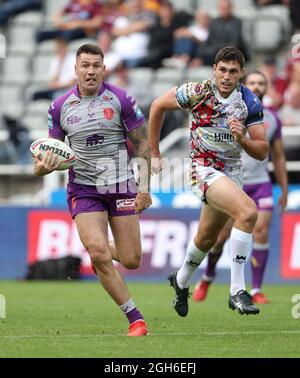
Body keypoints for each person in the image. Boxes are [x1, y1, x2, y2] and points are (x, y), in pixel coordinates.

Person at [33, 44, 152, 336]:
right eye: (85, 65)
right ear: (75, 69)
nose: (90, 71)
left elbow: (143, 143)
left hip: (121, 185)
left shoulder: (120, 99)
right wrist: (42, 167)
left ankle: (110, 249)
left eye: (96, 65)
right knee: (97, 254)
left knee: (131, 260)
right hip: (83, 188)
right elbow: (51, 154)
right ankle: (136, 319)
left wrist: (144, 188)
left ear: (104, 69)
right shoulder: (59, 107)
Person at [148, 46, 269, 317]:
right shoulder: (196, 92)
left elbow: (262, 151)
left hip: (232, 173)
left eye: (233, 71)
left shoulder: (249, 102)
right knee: (248, 212)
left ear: (242, 73)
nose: (226, 76)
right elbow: (157, 106)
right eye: (222, 70)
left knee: (207, 238)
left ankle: (180, 280)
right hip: (203, 170)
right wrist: (154, 153)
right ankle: (237, 290)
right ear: (214, 69)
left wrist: (242, 139)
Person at [193, 70, 288, 304]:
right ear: (246, 84)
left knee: (262, 229)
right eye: (253, 82)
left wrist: (284, 189)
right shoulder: (231, 109)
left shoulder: (273, 118)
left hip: (261, 183)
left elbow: (277, 156)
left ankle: (255, 289)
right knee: (220, 236)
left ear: (266, 88)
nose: (256, 86)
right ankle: (207, 276)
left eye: (261, 83)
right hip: (231, 181)